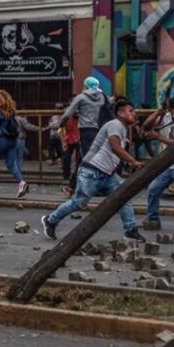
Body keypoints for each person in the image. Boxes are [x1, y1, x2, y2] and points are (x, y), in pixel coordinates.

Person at [41, 99, 145, 242]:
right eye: (131, 111)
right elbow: (115, 147)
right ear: (120, 113)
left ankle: (130, 231)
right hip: (92, 171)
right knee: (78, 202)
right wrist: (133, 161)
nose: (134, 114)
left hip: (107, 175)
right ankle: (50, 220)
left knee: (124, 196)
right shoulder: (115, 124)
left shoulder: (122, 128)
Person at [142, 98, 174, 228]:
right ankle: (152, 218)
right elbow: (147, 126)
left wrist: (157, 136)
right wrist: (157, 114)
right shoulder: (166, 117)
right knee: (153, 189)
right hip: (166, 163)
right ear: (170, 109)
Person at [60, 76, 111, 173]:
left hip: (86, 131)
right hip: (101, 130)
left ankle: (87, 178)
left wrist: (61, 124)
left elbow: (67, 115)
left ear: (86, 86)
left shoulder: (81, 97)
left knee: (86, 156)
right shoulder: (104, 97)